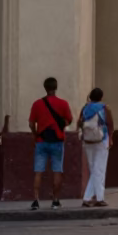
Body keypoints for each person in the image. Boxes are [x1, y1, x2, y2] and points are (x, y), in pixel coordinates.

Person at [28, 77, 73, 211]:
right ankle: (55, 200)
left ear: (45, 88)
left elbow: (31, 123)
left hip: (41, 141)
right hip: (57, 141)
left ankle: (36, 200)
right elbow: (69, 120)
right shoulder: (63, 104)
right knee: (57, 170)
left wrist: (35, 134)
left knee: (38, 171)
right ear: (56, 87)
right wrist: (60, 125)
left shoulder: (37, 104)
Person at [78, 88, 114, 207]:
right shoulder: (104, 108)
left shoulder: (85, 108)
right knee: (99, 169)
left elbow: (79, 123)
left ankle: (91, 198)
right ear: (101, 97)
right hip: (101, 139)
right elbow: (110, 124)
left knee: (94, 169)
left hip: (87, 141)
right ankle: (96, 198)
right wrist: (111, 138)